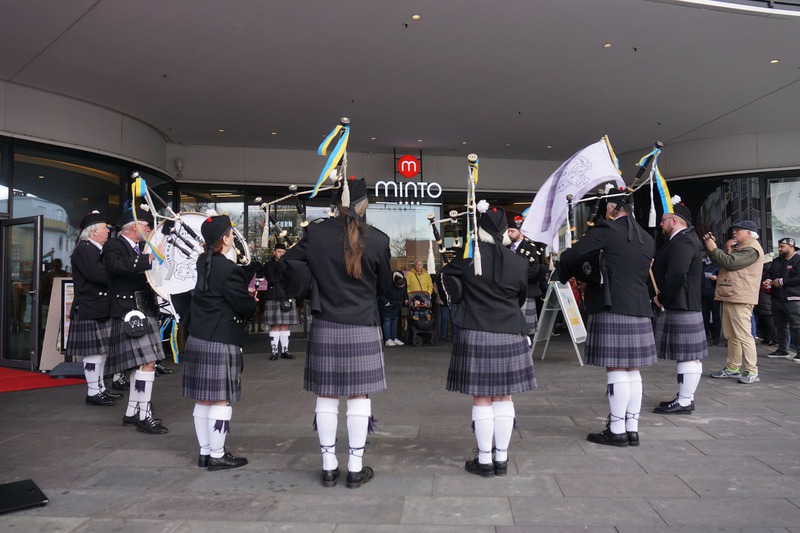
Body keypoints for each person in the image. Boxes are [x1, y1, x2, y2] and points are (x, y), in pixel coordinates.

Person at [284, 178, 390, 489]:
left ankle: (329, 466)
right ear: (364, 204)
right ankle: (355, 468)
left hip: (326, 322)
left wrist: (313, 289)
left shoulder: (316, 233)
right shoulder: (379, 239)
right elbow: (384, 286)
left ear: (336, 204)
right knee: (359, 395)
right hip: (363, 323)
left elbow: (290, 261)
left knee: (326, 395)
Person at [442, 204, 535, 477]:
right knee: (504, 396)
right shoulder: (519, 262)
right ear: (505, 231)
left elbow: (447, 279)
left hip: (475, 330)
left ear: (478, 231)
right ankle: (502, 459)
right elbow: (520, 298)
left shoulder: (468, 259)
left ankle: (484, 460)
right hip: (510, 331)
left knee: (482, 398)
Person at [559, 198, 656, 447]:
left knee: (616, 369)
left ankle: (616, 429)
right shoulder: (647, 237)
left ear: (612, 209)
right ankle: (631, 428)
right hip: (639, 306)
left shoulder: (607, 229)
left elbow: (573, 254)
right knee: (632, 370)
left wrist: (566, 273)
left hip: (612, 305)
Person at [183, 214, 256, 470]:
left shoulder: (203, 261)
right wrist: (250, 300)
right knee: (221, 400)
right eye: (231, 234)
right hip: (220, 339)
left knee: (203, 399)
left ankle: (205, 452)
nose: (233, 237)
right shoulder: (229, 269)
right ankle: (217, 455)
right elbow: (242, 305)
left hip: (198, 336)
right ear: (225, 239)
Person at [103, 207, 169, 434]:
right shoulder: (114, 245)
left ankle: (132, 412)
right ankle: (144, 415)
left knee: (143, 364)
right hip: (129, 312)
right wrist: (148, 259)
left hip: (144, 309)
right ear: (134, 226)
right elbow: (116, 265)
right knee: (147, 363)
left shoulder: (140, 248)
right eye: (146, 225)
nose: (149, 229)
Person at [651, 201, 707, 415]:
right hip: (684, 304)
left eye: (663, 220)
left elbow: (677, 274)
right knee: (689, 355)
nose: (661, 224)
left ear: (674, 221)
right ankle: (686, 397)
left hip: (681, 304)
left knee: (688, 355)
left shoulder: (682, 241)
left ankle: (685, 401)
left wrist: (662, 298)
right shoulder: (683, 239)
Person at [65, 211, 121, 406]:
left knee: (101, 352)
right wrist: (121, 275)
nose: (108, 231)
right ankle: (93, 392)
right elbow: (98, 275)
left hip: (99, 306)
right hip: (90, 306)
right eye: (105, 228)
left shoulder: (95, 249)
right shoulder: (85, 249)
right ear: (93, 231)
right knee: (93, 353)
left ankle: (100, 388)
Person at [704, 221, 765, 384]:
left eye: (738, 230)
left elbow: (729, 262)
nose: (734, 232)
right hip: (733, 295)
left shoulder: (751, 249)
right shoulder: (743, 247)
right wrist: (712, 248)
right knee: (732, 335)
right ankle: (733, 367)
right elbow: (724, 260)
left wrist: (713, 248)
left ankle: (752, 370)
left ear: (749, 233)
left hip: (740, 297)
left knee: (743, 335)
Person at [764, 237, 800, 363]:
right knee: (780, 325)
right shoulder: (776, 261)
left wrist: (782, 281)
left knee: (797, 326)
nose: (779, 249)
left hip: (793, 298)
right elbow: (769, 273)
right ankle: (782, 349)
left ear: (791, 246)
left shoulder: (798, 260)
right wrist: (767, 280)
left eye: (782, 246)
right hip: (777, 298)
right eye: (779, 246)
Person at [507, 217, 543, 339]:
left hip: (526, 289)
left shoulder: (530, 247)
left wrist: (515, 278)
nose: (509, 234)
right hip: (509, 291)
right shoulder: (506, 247)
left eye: (512, 231)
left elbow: (533, 270)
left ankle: (528, 346)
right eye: (508, 231)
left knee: (526, 326)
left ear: (521, 232)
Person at [261, 242, 298, 360]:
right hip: (273, 297)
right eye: (279, 252)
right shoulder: (268, 265)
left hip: (287, 296)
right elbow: (271, 279)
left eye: (283, 252)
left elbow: (293, 279)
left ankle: (285, 351)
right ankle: (274, 352)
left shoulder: (289, 264)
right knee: (275, 325)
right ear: (274, 252)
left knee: (285, 325)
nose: (281, 254)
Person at [379, 271, 407, 346]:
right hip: (387, 303)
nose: (402, 287)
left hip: (397, 303)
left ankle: (394, 338)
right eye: (400, 287)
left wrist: (405, 298)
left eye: (403, 285)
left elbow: (405, 290)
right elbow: (380, 292)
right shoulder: (387, 280)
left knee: (395, 320)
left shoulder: (404, 279)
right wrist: (386, 302)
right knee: (387, 320)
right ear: (395, 284)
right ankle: (388, 339)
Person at [701, 255, 721, 345]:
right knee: (705, 316)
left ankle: (716, 337)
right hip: (704, 292)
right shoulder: (702, 264)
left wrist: (717, 278)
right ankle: (706, 335)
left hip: (713, 294)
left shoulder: (718, 265)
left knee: (715, 316)